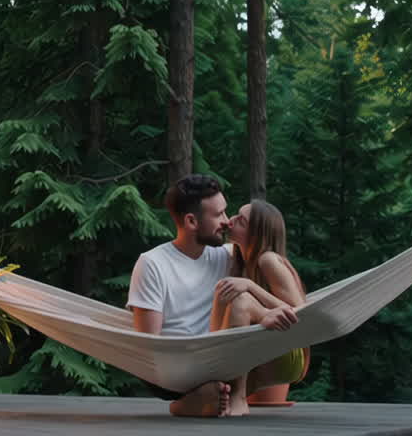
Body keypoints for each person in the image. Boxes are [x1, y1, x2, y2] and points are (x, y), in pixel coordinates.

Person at [127, 175, 297, 417]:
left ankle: (204, 396)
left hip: (219, 361)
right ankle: (201, 395)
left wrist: (261, 278)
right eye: (219, 215)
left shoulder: (228, 256)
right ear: (191, 221)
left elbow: (263, 246)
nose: (227, 221)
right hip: (173, 370)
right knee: (239, 297)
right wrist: (262, 313)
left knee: (240, 297)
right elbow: (149, 346)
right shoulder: (153, 263)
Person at [212, 199, 309, 416]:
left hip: (285, 354)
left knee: (241, 299)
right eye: (236, 214)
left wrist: (251, 286)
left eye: (241, 220)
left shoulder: (268, 260)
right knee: (223, 292)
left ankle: (238, 397)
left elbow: (302, 314)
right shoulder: (240, 261)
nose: (231, 220)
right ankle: (220, 381)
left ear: (257, 233)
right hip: (256, 355)